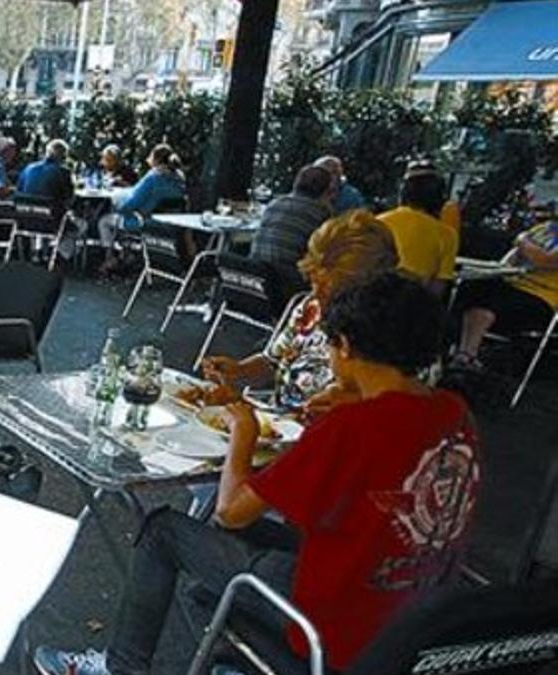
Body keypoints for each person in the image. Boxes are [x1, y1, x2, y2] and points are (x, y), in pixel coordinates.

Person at [35, 272, 480, 675]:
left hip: (335, 629)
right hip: (414, 611)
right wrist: (355, 401)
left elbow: (232, 511)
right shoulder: (454, 411)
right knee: (213, 554)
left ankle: (121, 668)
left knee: (165, 531)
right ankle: (233, 660)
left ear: (344, 346)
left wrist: (242, 428)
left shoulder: (351, 427)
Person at [203, 210, 399, 413]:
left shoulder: (387, 336)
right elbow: (274, 361)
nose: (316, 295)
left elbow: (395, 413)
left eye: (330, 292)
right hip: (278, 424)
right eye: (314, 282)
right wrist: (239, 370)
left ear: (369, 289)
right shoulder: (309, 309)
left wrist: (354, 406)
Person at [449, 219, 558, 372]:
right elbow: (512, 256)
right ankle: (452, 348)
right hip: (512, 281)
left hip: (541, 296)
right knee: (469, 283)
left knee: (492, 297)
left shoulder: (535, 234)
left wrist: (521, 240)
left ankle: (466, 355)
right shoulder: (546, 227)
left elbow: (544, 260)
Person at [97, 144, 186, 274]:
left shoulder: (153, 177)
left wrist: (117, 204)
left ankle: (110, 259)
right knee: (119, 219)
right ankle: (127, 256)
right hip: (170, 225)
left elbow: (130, 204)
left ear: (155, 159)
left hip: (143, 222)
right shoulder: (179, 179)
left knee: (104, 221)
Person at [377, 166, 458, 296]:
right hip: (414, 306)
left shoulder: (378, 222)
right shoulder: (447, 234)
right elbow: (438, 287)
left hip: (372, 303)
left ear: (403, 193)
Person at [249, 164, 334, 285]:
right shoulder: (320, 213)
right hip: (287, 280)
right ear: (327, 190)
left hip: (255, 274)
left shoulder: (274, 204)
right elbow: (325, 254)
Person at [17, 138, 74, 205]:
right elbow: (69, 198)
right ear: (63, 156)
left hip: (24, 210)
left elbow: (19, 190)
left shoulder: (28, 168)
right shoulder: (64, 172)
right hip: (49, 211)